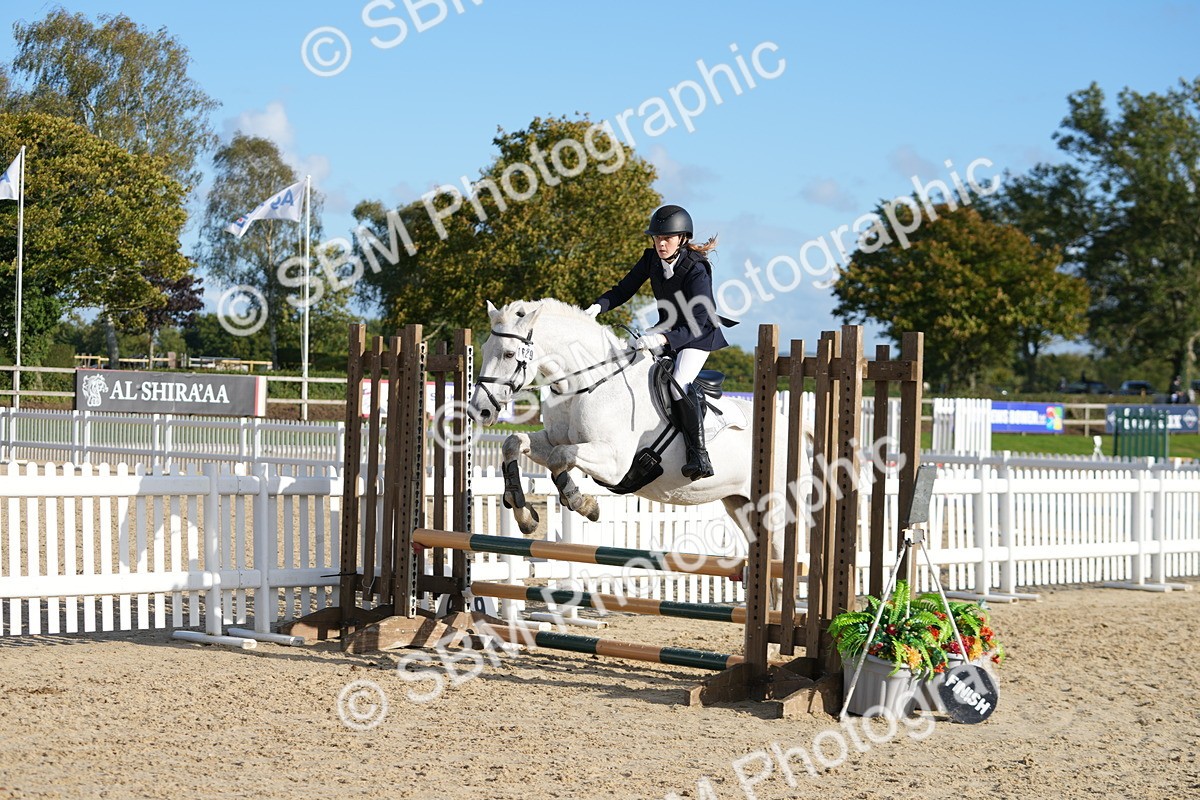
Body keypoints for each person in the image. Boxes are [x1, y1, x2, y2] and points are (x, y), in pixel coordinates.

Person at [585, 204, 730, 480]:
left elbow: (699, 321)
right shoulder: (651, 260)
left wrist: (662, 337)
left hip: (698, 334)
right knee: (629, 362)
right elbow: (623, 289)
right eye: (657, 238)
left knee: (678, 385)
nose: (661, 243)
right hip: (667, 328)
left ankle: (699, 455)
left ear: (682, 239)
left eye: (667, 238)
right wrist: (597, 307)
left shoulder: (697, 269)